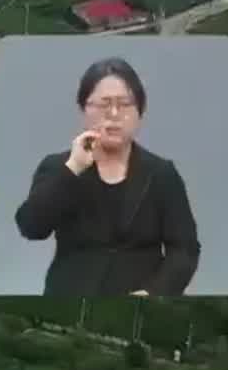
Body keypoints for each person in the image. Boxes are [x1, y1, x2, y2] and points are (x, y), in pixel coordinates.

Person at [14, 57, 200, 295]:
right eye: (104, 104)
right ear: (84, 110)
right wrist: (72, 169)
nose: (113, 114)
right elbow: (31, 227)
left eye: (124, 104)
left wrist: (154, 292)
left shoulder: (162, 174)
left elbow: (185, 250)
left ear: (139, 113)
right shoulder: (58, 167)